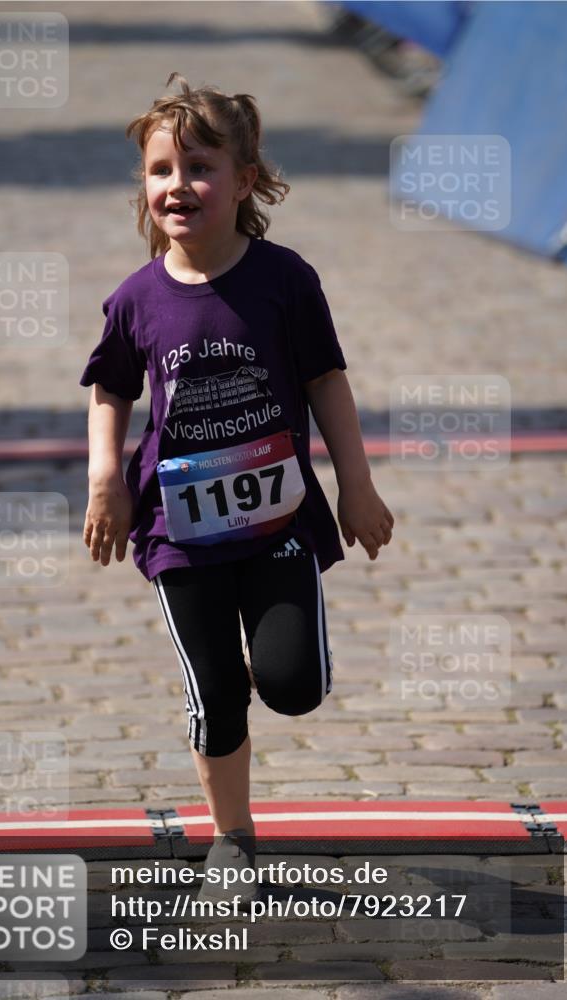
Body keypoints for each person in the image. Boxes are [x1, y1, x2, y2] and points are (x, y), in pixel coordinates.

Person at [80, 72, 393, 903]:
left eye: (199, 166)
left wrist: (355, 488)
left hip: (278, 519)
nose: (177, 186)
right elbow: (110, 391)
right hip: (178, 532)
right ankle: (232, 837)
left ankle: (265, 655)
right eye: (159, 170)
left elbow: (326, 380)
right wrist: (106, 480)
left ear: (245, 180)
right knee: (217, 692)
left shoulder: (285, 279)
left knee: (291, 687)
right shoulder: (136, 300)